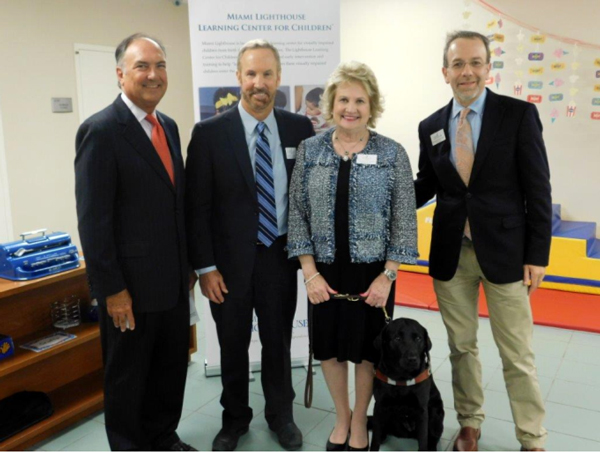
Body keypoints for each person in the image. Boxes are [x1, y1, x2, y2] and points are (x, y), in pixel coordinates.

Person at [414, 30, 551, 451]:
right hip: (452, 256)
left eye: (475, 63)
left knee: (517, 355)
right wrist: (380, 198)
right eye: (458, 64)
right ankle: (469, 422)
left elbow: (538, 187)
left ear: (488, 69)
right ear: (445, 72)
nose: (467, 72)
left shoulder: (518, 115)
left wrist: (537, 254)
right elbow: (427, 185)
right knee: (461, 348)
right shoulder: (432, 126)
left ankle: (532, 437)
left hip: (507, 255)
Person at [185, 39, 314, 451]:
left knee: (278, 342)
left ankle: (282, 416)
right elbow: (197, 207)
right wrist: (205, 268)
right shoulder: (208, 134)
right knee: (233, 344)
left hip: (279, 256)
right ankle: (234, 420)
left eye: (268, 74)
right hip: (227, 266)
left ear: (278, 77)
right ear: (239, 77)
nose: (260, 83)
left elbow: (310, 195)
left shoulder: (299, 128)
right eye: (251, 74)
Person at [288, 61, 418, 451]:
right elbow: (297, 212)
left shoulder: (392, 153)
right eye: (343, 98)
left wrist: (388, 276)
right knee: (329, 349)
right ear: (331, 103)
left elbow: (404, 219)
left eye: (360, 100)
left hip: (373, 274)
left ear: (371, 105)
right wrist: (309, 273)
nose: (351, 107)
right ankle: (341, 417)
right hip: (323, 272)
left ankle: (361, 420)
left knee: (366, 352)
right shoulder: (310, 150)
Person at [75, 33, 196, 451]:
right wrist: (111, 290)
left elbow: (173, 204)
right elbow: (94, 221)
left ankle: (163, 436)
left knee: (168, 370)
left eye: (160, 65)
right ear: (120, 73)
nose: (153, 74)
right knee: (128, 377)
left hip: (172, 283)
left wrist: (189, 267)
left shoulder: (170, 127)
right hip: (129, 289)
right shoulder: (102, 131)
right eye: (142, 66)